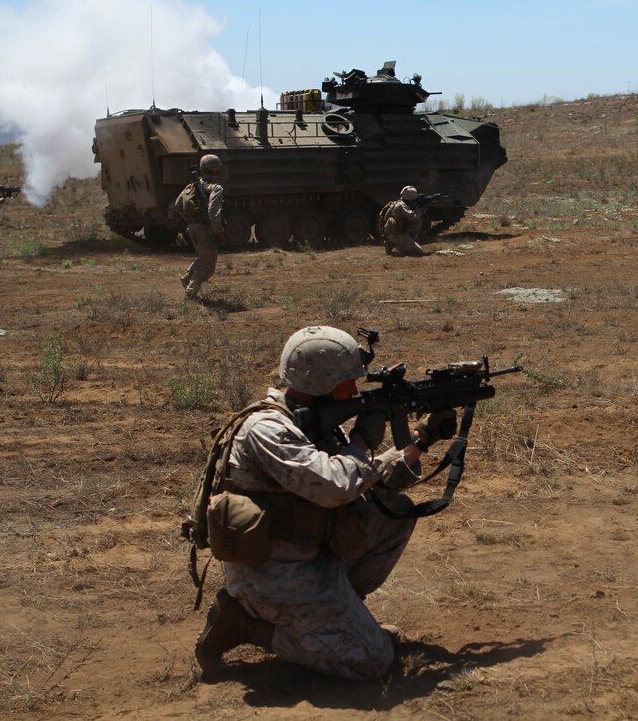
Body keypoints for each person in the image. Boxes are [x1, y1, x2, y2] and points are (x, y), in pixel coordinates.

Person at [194, 325, 456, 680]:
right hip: (273, 574)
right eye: (348, 384)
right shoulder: (268, 430)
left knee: (396, 511)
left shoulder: (315, 424)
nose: (355, 391)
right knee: (373, 659)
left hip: (311, 555)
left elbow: (366, 482)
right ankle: (247, 625)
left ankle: (336, 618)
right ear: (320, 384)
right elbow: (335, 487)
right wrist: (361, 439)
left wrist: (421, 440)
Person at [175, 154, 225, 299]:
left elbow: (178, 205)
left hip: (192, 227)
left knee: (204, 257)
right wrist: (218, 232)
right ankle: (190, 292)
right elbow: (213, 213)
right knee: (208, 265)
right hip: (204, 229)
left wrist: (191, 220)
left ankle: (187, 278)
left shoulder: (191, 186)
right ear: (217, 170)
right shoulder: (216, 188)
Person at [380, 186, 426, 256]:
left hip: (393, 232)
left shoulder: (398, 202)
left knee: (416, 222)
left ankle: (392, 243)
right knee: (419, 251)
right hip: (394, 234)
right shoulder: (401, 206)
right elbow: (414, 217)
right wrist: (418, 208)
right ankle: (401, 246)